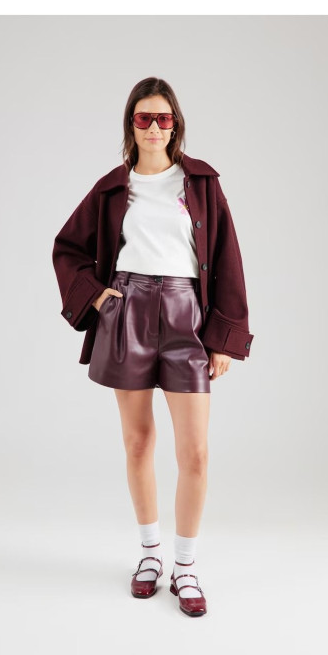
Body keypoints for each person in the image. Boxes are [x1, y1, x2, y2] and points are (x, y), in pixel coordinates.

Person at [52, 77, 254, 617]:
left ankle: (185, 568)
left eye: (164, 118)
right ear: (131, 124)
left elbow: (227, 258)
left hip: (187, 315)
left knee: (196, 452)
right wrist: (97, 296)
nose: (154, 127)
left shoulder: (201, 183)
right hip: (130, 311)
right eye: (144, 118)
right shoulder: (112, 188)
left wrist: (224, 336)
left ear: (176, 124)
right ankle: (149, 555)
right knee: (139, 442)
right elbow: (67, 248)